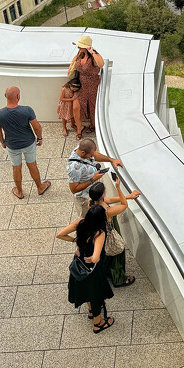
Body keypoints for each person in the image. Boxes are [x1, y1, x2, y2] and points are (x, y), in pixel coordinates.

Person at [57, 204, 113, 333]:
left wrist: (75, 241)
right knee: (95, 293)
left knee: (86, 290)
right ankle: (98, 324)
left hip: (79, 263)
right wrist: (92, 258)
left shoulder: (80, 222)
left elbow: (60, 234)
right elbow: (96, 258)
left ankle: (91, 312)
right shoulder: (99, 233)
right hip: (92, 270)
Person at [0, 87, 51, 200]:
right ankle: (40, 187)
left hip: (12, 145)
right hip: (28, 144)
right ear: (18, 96)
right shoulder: (27, 110)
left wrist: (2, 142)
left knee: (16, 167)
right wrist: (39, 138)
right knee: (32, 165)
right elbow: (37, 127)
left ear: (5, 96)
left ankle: (19, 191)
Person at [86, 177, 141, 288]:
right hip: (109, 235)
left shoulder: (91, 202)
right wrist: (118, 187)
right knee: (116, 256)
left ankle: (105, 273)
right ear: (102, 195)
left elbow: (109, 200)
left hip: (98, 235)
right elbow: (124, 205)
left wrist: (128, 196)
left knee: (104, 256)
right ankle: (119, 279)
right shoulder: (108, 212)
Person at [67, 137, 123, 217]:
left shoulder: (82, 150)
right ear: (83, 152)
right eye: (91, 155)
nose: (93, 156)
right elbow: (74, 189)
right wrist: (92, 179)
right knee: (88, 219)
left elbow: (95, 155)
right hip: (85, 198)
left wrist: (111, 160)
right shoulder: (73, 168)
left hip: (95, 192)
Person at [68, 35, 104, 138]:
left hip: (93, 84)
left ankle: (93, 125)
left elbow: (101, 64)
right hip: (82, 84)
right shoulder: (80, 53)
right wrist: (71, 68)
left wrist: (92, 52)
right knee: (78, 106)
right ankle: (80, 127)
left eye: (80, 46)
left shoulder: (94, 56)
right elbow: (74, 62)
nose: (78, 48)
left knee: (93, 106)